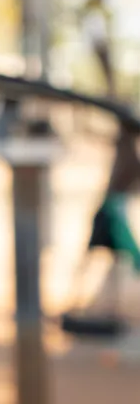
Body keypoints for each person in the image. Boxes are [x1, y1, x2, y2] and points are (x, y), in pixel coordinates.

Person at [59, 127, 140, 338]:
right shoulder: (127, 156)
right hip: (112, 211)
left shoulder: (128, 159)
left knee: (103, 260)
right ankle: (87, 304)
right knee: (106, 260)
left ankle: (97, 306)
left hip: (113, 213)